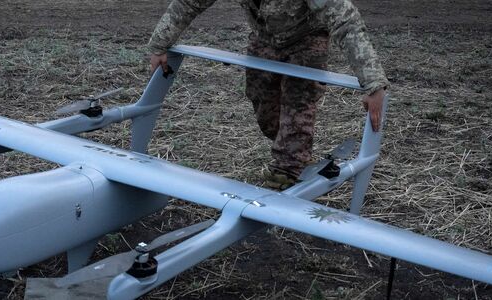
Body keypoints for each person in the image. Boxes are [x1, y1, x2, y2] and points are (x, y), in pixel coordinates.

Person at [147, 0, 389, 190]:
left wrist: (373, 83)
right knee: (263, 105)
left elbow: (346, 22)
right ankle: (293, 149)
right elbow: (188, 3)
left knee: (297, 105)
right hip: (264, 38)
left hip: (307, 38)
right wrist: (159, 44)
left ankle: (286, 172)